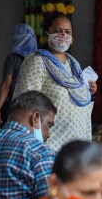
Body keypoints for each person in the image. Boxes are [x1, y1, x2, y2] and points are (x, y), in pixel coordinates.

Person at [13, 12, 97, 152]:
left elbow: (80, 104)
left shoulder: (74, 66)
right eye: (57, 31)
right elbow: (24, 102)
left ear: (72, 38)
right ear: (47, 35)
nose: (63, 35)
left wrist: (90, 93)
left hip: (77, 147)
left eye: (67, 32)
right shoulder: (37, 61)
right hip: (50, 147)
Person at [0, 23, 37, 126]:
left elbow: (6, 85)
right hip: (33, 105)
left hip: (13, 106)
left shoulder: (13, 58)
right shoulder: (37, 58)